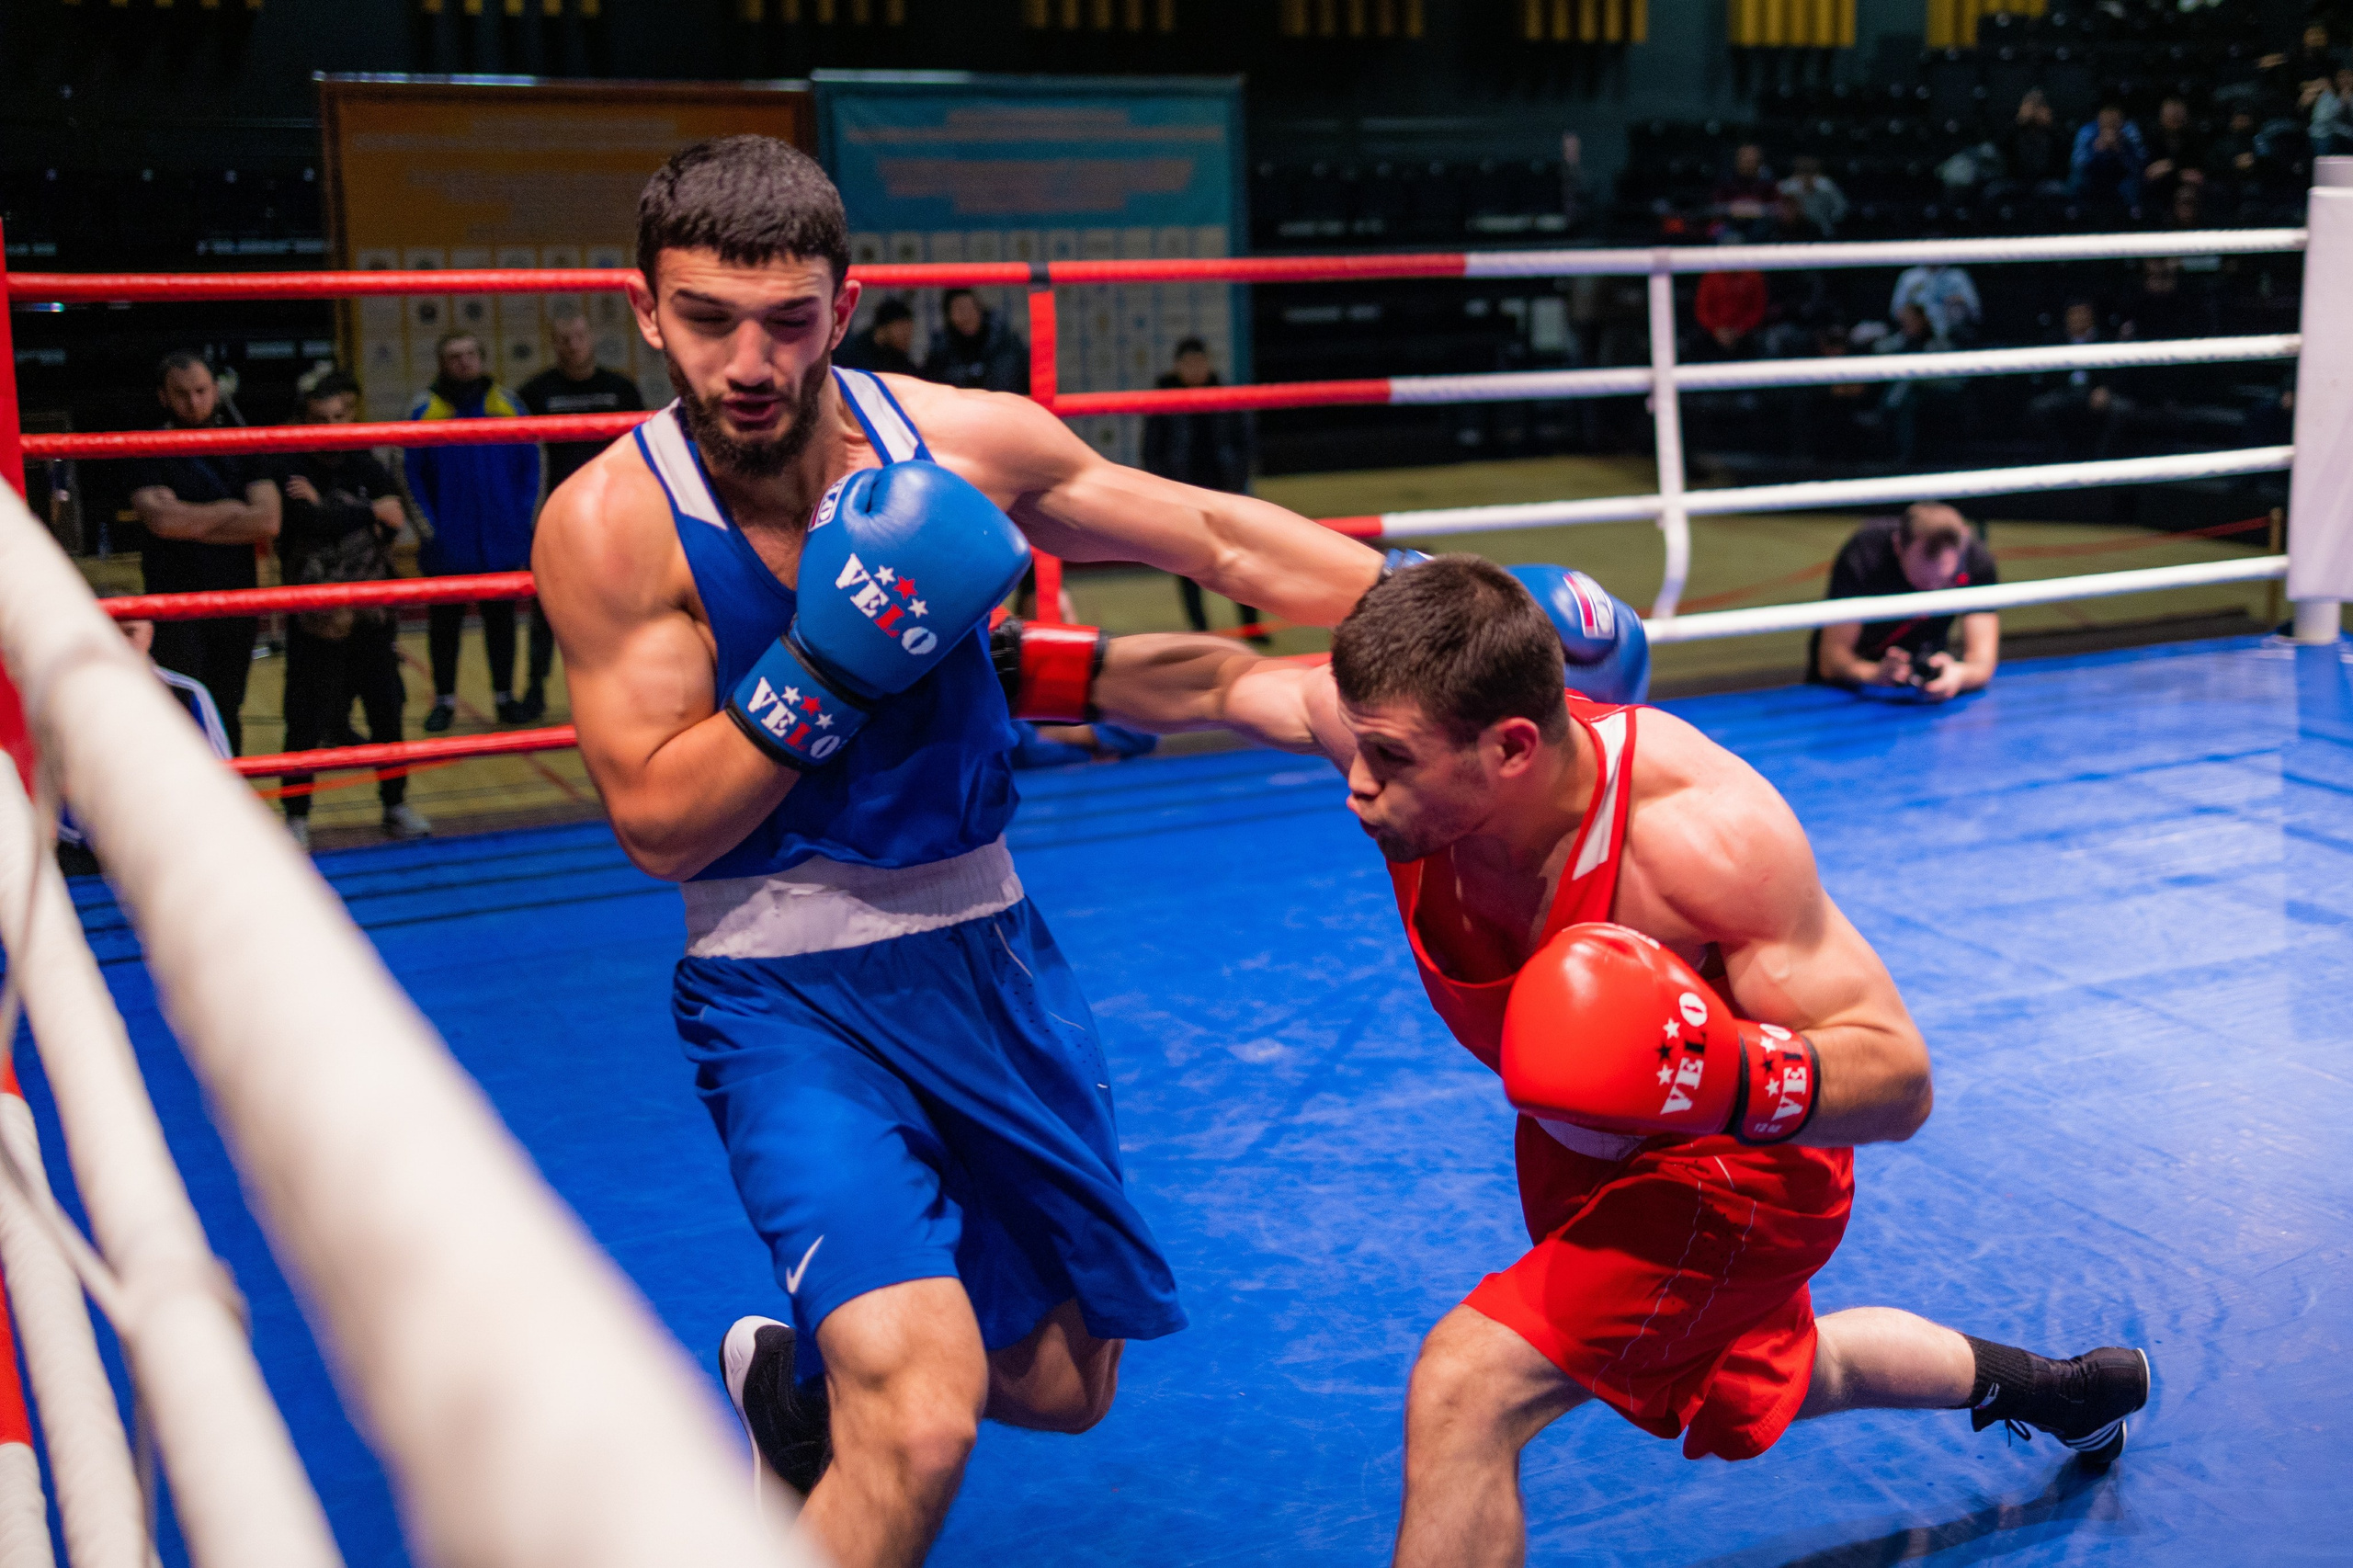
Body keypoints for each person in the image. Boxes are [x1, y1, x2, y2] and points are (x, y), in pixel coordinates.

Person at [529, 135, 1392, 1568]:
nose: (749, 361)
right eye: (707, 319)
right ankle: (859, 1397)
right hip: (781, 987)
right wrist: (831, 660)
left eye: (787, 320)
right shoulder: (613, 526)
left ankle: (798, 1395)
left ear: (846, 304)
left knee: (1063, 1381)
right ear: (646, 311)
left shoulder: (963, 442)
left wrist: (1442, 604)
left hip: (986, 952)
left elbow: (1214, 539)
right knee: (924, 1412)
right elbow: (659, 823)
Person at [1050, 555, 2142, 1567]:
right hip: (1582, 1142)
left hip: (1740, 1167)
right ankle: (2057, 1388)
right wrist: (1020, 667)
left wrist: (1717, 1069)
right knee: (1784, 1369)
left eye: (1391, 761)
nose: (1356, 784)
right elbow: (1217, 677)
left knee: (1467, 1384)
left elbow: (1899, 1080)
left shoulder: (1697, 832)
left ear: (1511, 747)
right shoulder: (1398, 733)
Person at [276, 367, 430, 850]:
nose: (331, 426)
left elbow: (394, 521)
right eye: (321, 418)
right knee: (305, 720)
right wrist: (363, 513)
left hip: (371, 614)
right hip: (314, 616)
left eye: (339, 416)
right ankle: (296, 816)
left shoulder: (366, 463)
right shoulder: (292, 467)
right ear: (307, 421)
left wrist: (331, 509)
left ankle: (395, 805)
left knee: (387, 712)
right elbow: (305, 523)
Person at [125, 352, 280, 755]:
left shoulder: (243, 444)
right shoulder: (147, 447)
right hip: (175, 601)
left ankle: (229, 789)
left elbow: (268, 520)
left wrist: (190, 520)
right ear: (163, 396)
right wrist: (232, 509)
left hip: (235, 599)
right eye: (182, 394)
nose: (193, 402)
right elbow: (163, 522)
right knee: (181, 709)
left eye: (201, 391)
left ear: (216, 390)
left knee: (227, 705)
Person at [404, 331, 544, 731]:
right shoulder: (424, 410)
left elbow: (533, 465)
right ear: (441, 363)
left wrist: (521, 521)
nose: (464, 362)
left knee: (502, 624)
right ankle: (444, 702)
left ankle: (505, 697)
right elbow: (409, 475)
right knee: (443, 627)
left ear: (482, 357)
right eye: (455, 356)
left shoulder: (508, 406)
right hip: (447, 544)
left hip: (502, 540)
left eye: (470, 354)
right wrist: (429, 530)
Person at [1140, 336, 1263, 642]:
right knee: (1187, 561)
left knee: (1241, 560)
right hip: (1183, 493)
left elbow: (1245, 442)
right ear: (1177, 366)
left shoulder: (1224, 395)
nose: (1195, 369)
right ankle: (1201, 630)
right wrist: (1164, 489)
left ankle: (1251, 626)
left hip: (1224, 491)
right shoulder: (1163, 400)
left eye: (1200, 362)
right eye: (1189, 363)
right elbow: (1152, 450)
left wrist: (1238, 479)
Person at [1809, 503, 1998, 699]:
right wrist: (1874, 673)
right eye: (1923, 581)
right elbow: (1831, 662)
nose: (1932, 590)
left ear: (1963, 546)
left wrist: (1959, 674)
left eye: (1943, 582)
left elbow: (1982, 663)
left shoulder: (1976, 560)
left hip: (1924, 683)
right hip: (1849, 689)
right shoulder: (1867, 552)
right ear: (1898, 546)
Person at [2025, 298, 2129, 462]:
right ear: (2066, 317)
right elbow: (2046, 374)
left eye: (2083, 313)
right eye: (2074, 314)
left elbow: (2118, 372)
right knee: (2039, 407)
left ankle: (2103, 458)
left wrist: (2105, 389)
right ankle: (2060, 454)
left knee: (2122, 409)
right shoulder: (2055, 339)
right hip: (2064, 391)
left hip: (2095, 392)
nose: (2079, 318)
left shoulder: (2104, 338)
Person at [926, 288, 1029, 392]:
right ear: (949, 316)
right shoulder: (940, 354)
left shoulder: (1007, 345)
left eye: (971, 308)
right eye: (960, 310)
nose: (967, 316)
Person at [2071, 102, 2150, 216]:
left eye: (2114, 121)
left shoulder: (2129, 131)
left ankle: (2135, 211)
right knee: (2078, 179)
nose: (2110, 123)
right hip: (2094, 175)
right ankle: (2074, 209)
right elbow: (2077, 163)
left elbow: (2141, 162)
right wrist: (2095, 150)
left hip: (2121, 176)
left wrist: (2120, 149)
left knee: (2132, 182)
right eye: (2106, 119)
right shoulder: (2087, 131)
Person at [2141, 94, 2207, 215]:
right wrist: (2179, 172)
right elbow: (2150, 173)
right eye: (2171, 116)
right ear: (2162, 117)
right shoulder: (2151, 137)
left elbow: (2197, 174)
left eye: (2178, 116)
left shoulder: (2194, 138)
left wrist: (2170, 168)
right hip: (2160, 188)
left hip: (2188, 188)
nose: (2175, 119)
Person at [1887, 261, 1980, 345]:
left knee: (1956, 307)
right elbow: (1896, 310)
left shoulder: (1957, 276)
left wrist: (1957, 300)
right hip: (1921, 329)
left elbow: (1975, 310)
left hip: (1952, 328)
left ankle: (1952, 340)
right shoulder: (1910, 277)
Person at [835, 298, 926, 378]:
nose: (907, 337)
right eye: (902, 330)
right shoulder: (852, 352)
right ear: (884, 327)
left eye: (909, 331)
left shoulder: (898, 359)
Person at [1775, 154, 1847, 237]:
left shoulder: (1826, 185)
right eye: (1802, 172)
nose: (1806, 177)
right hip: (1796, 229)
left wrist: (1831, 218)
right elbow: (1779, 210)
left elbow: (1842, 207)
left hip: (1824, 230)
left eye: (1810, 172)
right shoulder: (1787, 187)